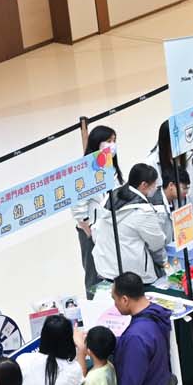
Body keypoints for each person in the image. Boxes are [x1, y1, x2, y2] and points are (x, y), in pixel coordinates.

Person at [88, 164, 172, 286]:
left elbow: (97, 231)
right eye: (154, 184)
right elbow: (156, 244)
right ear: (144, 185)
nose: (156, 188)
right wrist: (166, 264)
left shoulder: (110, 197)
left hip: (106, 267)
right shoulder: (143, 212)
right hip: (133, 274)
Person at [76, 123, 120, 290]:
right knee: (94, 274)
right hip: (91, 230)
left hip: (109, 227)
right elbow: (78, 208)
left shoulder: (112, 167)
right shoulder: (85, 170)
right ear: (97, 143)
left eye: (114, 140)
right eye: (108, 141)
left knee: (110, 271)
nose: (112, 145)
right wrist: (89, 232)